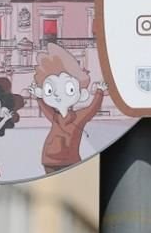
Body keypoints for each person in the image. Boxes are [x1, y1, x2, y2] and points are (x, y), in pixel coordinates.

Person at [28, 43, 106, 174]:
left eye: (69, 89)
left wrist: (99, 91)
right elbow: (46, 109)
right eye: (50, 90)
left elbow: (92, 109)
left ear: (81, 94)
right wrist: (38, 97)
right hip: (49, 160)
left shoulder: (78, 117)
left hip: (69, 161)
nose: (57, 94)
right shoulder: (55, 117)